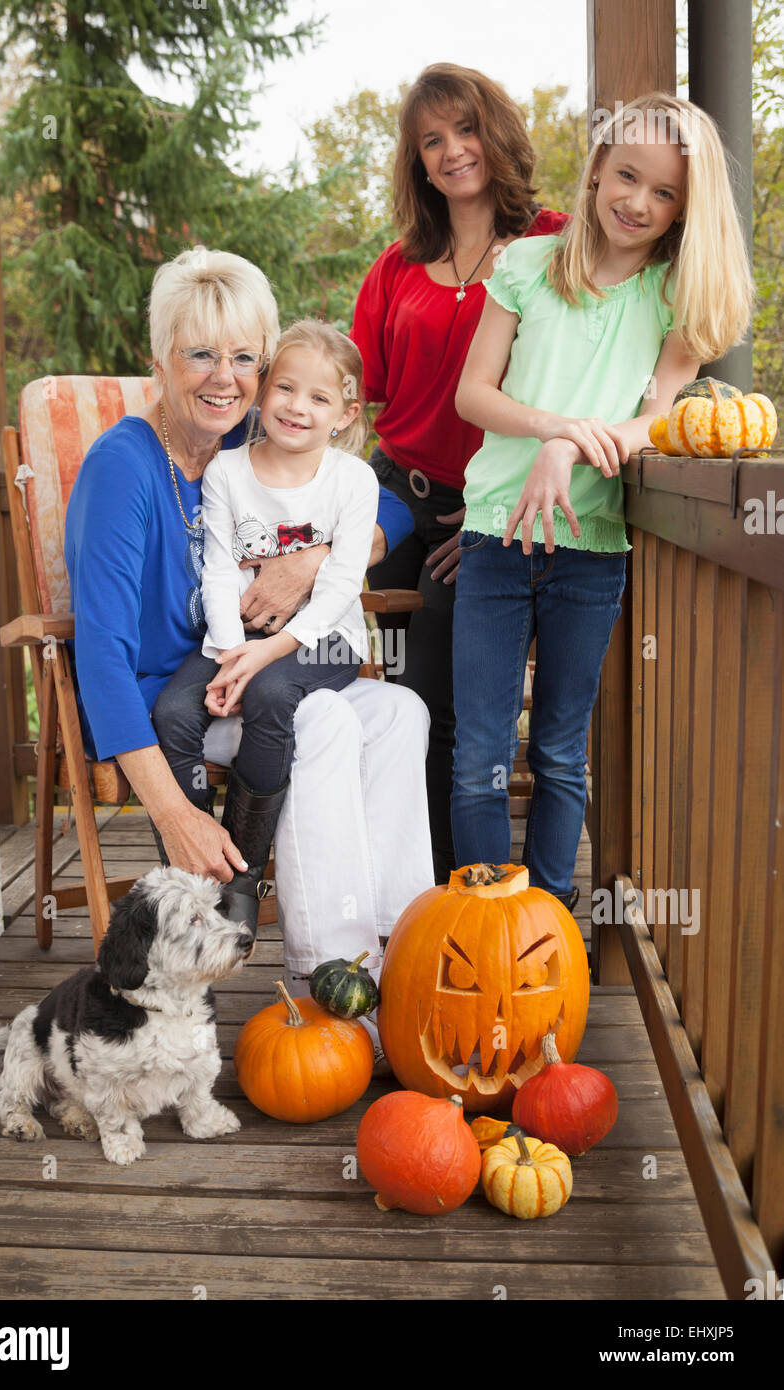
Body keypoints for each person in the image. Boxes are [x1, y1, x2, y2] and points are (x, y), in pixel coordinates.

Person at [64, 248, 434, 1025]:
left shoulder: (246, 447)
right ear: (160, 360)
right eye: (200, 354)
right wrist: (175, 813)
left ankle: (407, 948)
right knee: (325, 719)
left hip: (259, 683)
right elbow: (99, 658)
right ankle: (329, 986)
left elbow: (390, 507)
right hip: (177, 711)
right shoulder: (123, 469)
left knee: (403, 714)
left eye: (243, 358)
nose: (223, 377)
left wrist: (312, 562)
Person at [451, 92, 753, 909]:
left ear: (684, 211)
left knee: (558, 753)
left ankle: (546, 932)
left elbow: (657, 422)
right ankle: (484, 924)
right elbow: (473, 396)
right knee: (479, 753)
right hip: (497, 538)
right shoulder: (523, 267)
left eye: (664, 194)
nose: (638, 202)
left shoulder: (670, 298)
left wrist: (566, 446)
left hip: (594, 548)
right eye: (627, 175)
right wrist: (554, 427)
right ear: (595, 172)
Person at [351, 62, 569, 883]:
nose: (451, 151)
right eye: (431, 140)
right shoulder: (398, 264)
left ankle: (463, 897)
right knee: (401, 701)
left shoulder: (553, 239)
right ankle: (406, 885)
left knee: (459, 714)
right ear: (417, 160)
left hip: (487, 506)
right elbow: (356, 392)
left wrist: (484, 517)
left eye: (465, 129)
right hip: (391, 503)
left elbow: (578, 366)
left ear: (497, 133)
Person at [151, 319, 378, 934]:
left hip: (321, 638)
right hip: (238, 634)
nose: (297, 407)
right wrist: (230, 653)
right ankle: (196, 876)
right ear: (264, 391)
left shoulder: (353, 480)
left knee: (274, 694)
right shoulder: (229, 471)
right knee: (173, 710)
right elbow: (220, 570)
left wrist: (267, 654)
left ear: (346, 413)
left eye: (319, 397)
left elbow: (338, 586)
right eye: (285, 388)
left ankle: (245, 874)